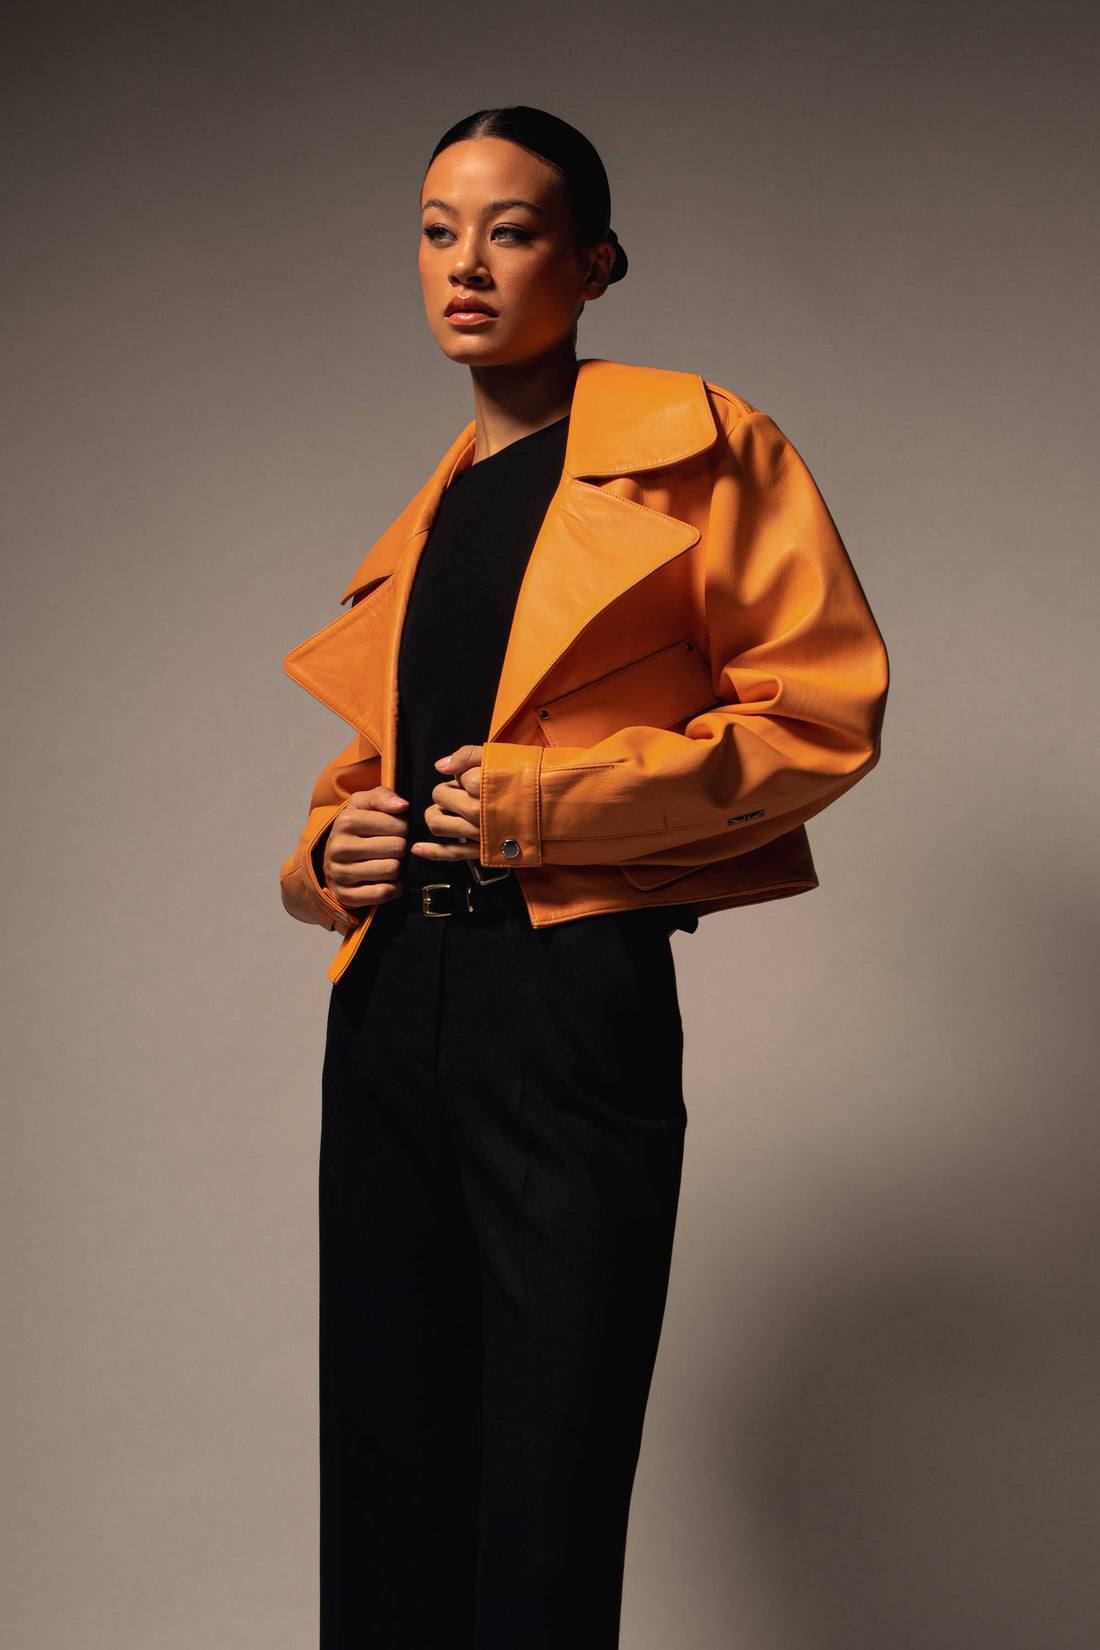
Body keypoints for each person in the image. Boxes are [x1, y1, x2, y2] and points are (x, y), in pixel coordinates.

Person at [279, 105, 889, 1650]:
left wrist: (548, 810)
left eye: (513, 229)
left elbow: (820, 717)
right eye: (438, 230)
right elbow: (384, 768)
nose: (466, 264)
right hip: (388, 1008)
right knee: (390, 1465)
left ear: (597, 263)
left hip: (564, 1000)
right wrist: (328, 853)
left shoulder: (699, 452)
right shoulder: (429, 521)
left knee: (546, 1482)